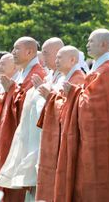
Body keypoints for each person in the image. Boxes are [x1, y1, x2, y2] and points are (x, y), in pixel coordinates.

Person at [60, 29, 109, 201]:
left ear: (104, 44)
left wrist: (75, 93)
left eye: (91, 41)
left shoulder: (105, 71)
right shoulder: (100, 69)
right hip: (95, 141)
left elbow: (95, 107)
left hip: (103, 142)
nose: (87, 44)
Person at [0, 37, 46, 201]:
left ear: (29, 51)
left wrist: (11, 91)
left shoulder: (37, 73)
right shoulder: (25, 72)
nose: (13, 52)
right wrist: (10, 91)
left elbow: (30, 107)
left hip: (25, 140)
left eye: (17, 49)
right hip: (15, 135)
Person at [35, 45, 85, 202]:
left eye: (59, 57)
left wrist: (50, 96)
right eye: (55, 57)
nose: (56, 60)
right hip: (55, 134)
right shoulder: (64, 77)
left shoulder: (78, 78)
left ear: (72, 60)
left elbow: (71, 108)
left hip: (65, 136)